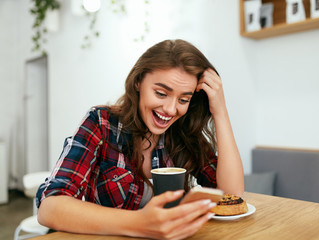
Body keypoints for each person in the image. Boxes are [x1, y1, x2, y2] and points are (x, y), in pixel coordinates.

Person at [36, 39, 244, 240]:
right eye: (161, 93)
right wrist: (141, 223)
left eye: (183, 99)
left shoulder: (183, 134)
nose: (171, 109)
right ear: (138, 82)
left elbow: (231, 195)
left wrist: (220, 111)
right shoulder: (101, 123)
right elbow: (50, 208)